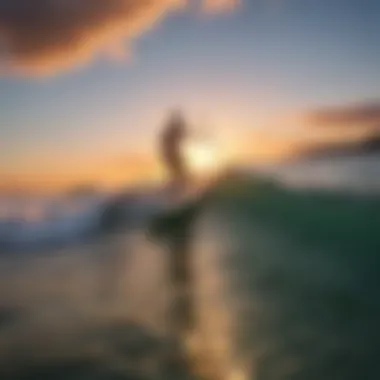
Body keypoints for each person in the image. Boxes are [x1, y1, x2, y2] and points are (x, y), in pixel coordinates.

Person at [160, 110, 188, 190]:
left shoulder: (173, 128)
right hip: (170, 154)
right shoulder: (172, 129)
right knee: (178, 170)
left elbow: (183, 134)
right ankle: (177, 187)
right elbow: (180, 134)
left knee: (179, 170)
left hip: (171, 154)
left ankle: (178, 185)